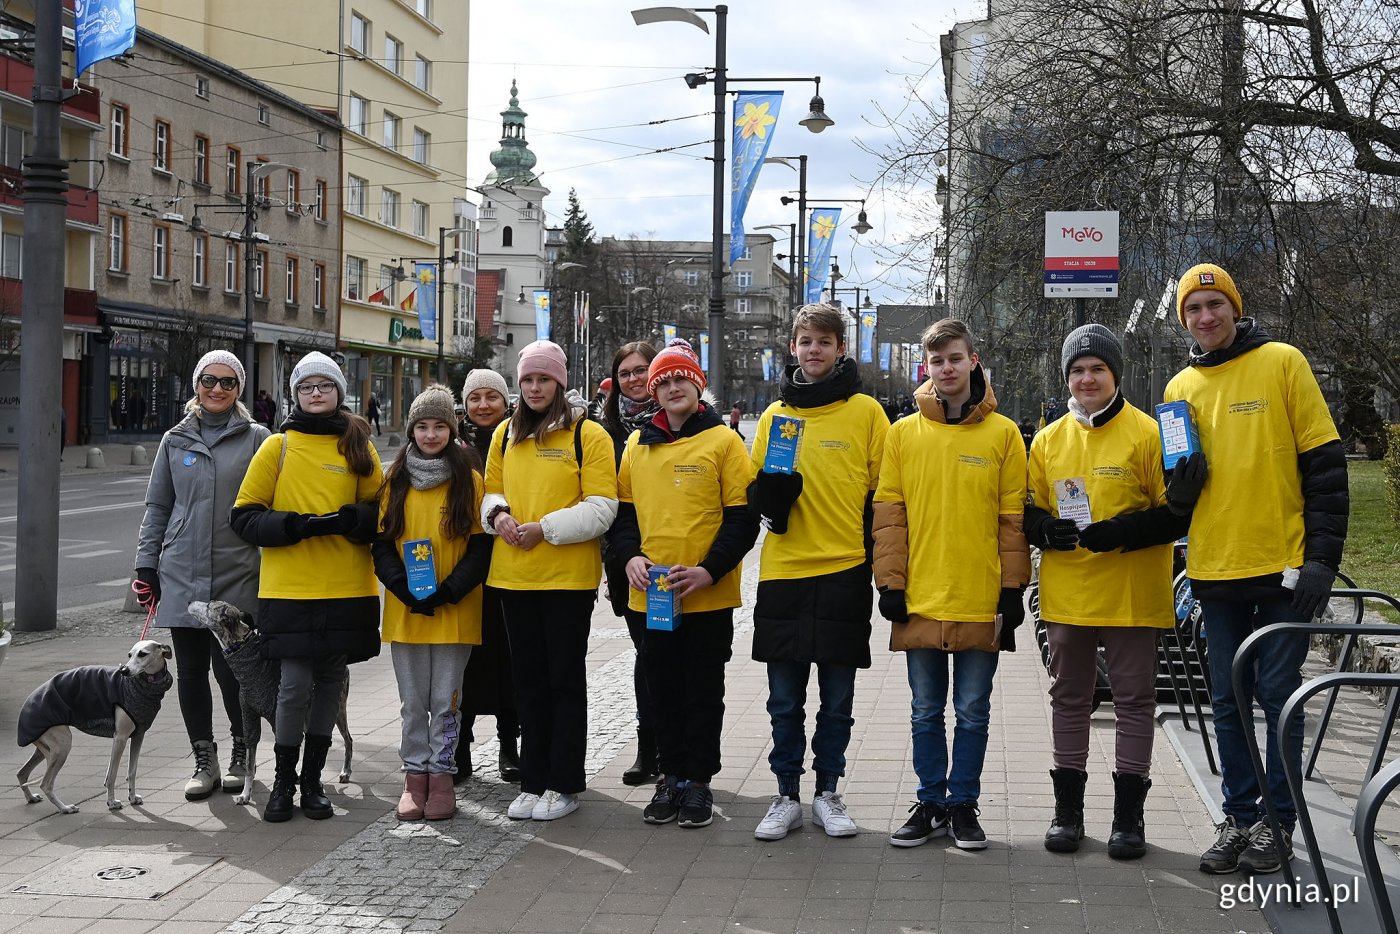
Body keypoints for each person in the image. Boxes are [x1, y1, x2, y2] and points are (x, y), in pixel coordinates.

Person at [1164, 264, 1348, 876]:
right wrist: (1181, 494)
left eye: (1216, 304)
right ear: (1183, 318)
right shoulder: (1178, 388)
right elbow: (1179, 492)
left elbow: (1325, 469)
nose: (1206, 317)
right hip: (1214, 572)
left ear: (1235, 309)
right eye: (1194, 309)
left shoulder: (1283, 363)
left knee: (1277, 696)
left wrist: (1323, 560)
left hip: (1282, 570)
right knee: (1227, 699)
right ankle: (1239, 817)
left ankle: (1278, 824)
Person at [1025, 325, 1201, 860]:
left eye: (1096, 369)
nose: (1087, 378)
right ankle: (1067, 814)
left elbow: (1176, 513)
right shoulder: (1049, 439)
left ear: (1115, 374)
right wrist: (1042, 529)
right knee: (1069, 699)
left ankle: (1129, 819)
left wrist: (1125, 532)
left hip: (1131, 592)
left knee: (1134, 701)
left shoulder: (1148, 433)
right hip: (1068, 593)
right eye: (1077, 370)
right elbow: (1028, 507)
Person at [873, 318, 1030, 850]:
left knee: (972, 711)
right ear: (927, 367)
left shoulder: (1004, 434)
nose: (946, 369)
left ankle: (963, 804)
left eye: (955, 359)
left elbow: (1013, 521)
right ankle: (930, 801)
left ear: (973, 361)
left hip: (978, 594)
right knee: (923, 710)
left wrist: (1013, 591)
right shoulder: (903, 433)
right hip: (921, 594)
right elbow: (890, 514)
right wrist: (889, 583)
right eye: (937, 361)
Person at [748, 305, 888, 841]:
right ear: (793, 347)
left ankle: (828, 790)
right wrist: (771, 498)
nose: (814, 350)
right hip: (784, 571)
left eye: (824, 342)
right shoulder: (775, 416)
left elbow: (882, 496)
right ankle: (785, 794)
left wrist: (881, 568)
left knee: (838, 698)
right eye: (805, 341)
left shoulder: (866, 413)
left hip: (844, 570)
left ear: (840, 349)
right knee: (784, 698)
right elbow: (757, 496)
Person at [230, 351, 383, 823]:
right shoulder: (276, 446)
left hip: (346, 585)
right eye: (306, 387)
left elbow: (383, 511)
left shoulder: (358, 444)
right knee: (294, 686)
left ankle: (314, 781)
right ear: (294, 395)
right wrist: (295, 526)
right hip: (290, 587)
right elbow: (244, 516)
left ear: (339, 391)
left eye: (325, 385)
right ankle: (283, 782)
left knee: (331, 683)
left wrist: (349, 520)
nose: (316, 393)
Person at [611, 338, 758, 828]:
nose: (673, 387)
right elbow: (624, 517)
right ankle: (669, 777)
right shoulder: (636, 444)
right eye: (663, 381)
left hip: (705, 594)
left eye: (681, 378)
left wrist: (708, 570)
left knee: (701, 689)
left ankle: (697, 781)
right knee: (661, 689)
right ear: (654, 391)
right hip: (651, 594)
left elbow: (742, 520)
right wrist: (629, 556)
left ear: (697, 385)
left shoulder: (724, 442)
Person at [481, 340, 617, 822]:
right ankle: (533, 777)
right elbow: (491, 489)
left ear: (559, 383)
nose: (535, 388)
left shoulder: (589, 435)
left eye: (544, 379)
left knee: (563, 680)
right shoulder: (504, 434)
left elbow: (602, 506)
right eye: (528, 380)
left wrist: (546, 529)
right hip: (513, 576)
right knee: (527, 683)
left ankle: (564, 783)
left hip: (566, 579)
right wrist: (497, 515)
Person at [134, 350, 270, 801]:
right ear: (196, 385)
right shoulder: (175, 440)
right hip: (182, 572)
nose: (217, 389)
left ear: (239, 389)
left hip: (239, 571)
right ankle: (203, 758)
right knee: (191, 671)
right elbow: (158, 506)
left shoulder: (258, 438)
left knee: (234, 670)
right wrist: (145, 563)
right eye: (209, 380)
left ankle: (240, 751)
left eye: (228, 382)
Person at [373, 385, 492, 821]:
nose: (430, 434)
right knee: (412, 702)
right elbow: (382, 544)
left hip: (455, 611)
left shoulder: (469, 479)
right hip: (407, 612)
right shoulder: (394, 479)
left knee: (447, 700)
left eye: (439, 425)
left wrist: (450, 591)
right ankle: (413, 776)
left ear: (451, 429)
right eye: (421, 426)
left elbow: (481, 548)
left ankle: (442, 775)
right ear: (411, 431)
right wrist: (401, 587)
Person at [598, 341, 661, 787]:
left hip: (678, 562)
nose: (635, 380)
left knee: (677, 657)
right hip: (628, 562)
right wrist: (621, 559)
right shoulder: (605, 431)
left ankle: (680, 750)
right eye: (626, 373)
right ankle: (648, 746)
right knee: (646, 655)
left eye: (642, 371)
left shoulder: (683, 419)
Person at [455, 368, 521, 784]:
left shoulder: (519, 439)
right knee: (462, 662)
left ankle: (508, 745)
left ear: (505, 401)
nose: (483, 405)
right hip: (462, 566)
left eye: (491, 397)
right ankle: (458, 743)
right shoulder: (450, 443)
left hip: (510, 564)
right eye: (475, 397)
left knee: (508, 659)